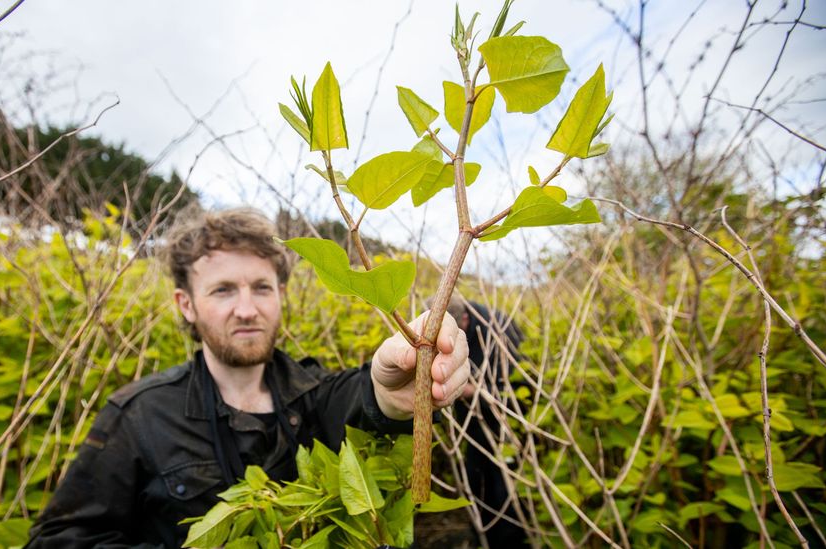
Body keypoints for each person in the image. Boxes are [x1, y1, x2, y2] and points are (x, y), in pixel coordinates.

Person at [26, 208, 470, 548]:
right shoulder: (140, 416)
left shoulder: (312, 395)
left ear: (280, 295)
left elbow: (367, 396)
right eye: (222, 290)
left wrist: (397, 388)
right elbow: (59, 540)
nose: (246, 309)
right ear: (186, 304)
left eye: (261, 287)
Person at [445, 295, 529, 549]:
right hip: (472, 428)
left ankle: (511, 542)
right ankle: (483, 538)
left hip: (506, 426)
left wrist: (475, 392)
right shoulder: (454, 329)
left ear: (466, 319)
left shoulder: (502, 331)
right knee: (476, 481)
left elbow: (518, 391)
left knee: (504, 488)